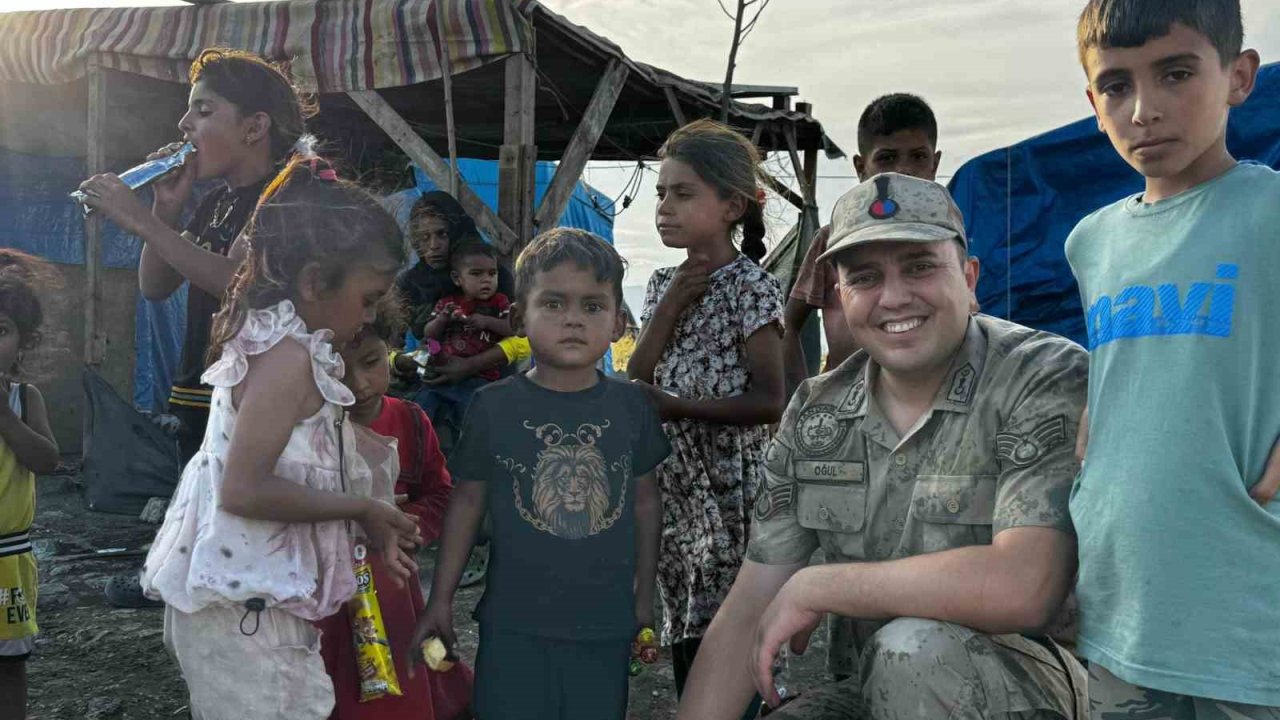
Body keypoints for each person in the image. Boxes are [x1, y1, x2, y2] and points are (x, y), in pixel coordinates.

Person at [677, 174, 1090, 720]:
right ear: (841, 295)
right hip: (878, 686)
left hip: (1034, 686)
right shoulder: (817, 412)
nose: (894, 297)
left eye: (920, 266)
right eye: (865, 277)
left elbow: (1026, 586)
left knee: (912, 654)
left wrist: (821, 585)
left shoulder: (1040, 376)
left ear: (969, 279)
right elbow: (750, 602)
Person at [138, 157, 422, 720]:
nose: (370, 316)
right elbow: (244, 489)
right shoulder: (286, 359)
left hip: (253, 609)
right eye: (368, 298)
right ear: (314, 280)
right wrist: (361, 506)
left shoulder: (291, 344)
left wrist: (366, 516)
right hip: (245, 617)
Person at [1068, 1, 1280, 715]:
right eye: (1118, 86)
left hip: (1252, 609)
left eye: (1177, 73)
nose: (1144, 109)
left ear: (1239, 77)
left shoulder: (1271, 210)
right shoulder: (1090, 241)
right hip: (1123, 602)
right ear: (1092, 101)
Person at [75, 47, 314, 608]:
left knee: (246, 525)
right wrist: (165, 210)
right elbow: (155, 287)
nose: (184, 125)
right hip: (203, 388)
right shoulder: (217, 203)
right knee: (207, 511)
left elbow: (238, 280)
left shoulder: (286, 195)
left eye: (203, 111)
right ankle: (194, 595)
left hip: (260, 396)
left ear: (255, 127)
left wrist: (131, 218)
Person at [411, 229, 668, 720]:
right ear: (518, 319)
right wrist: (438, 598)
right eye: (553, 303)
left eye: (592, 307)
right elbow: (467, 501)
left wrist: (644, 597)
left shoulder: (633, 406)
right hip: (513, 626)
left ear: (618, 322)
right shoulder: (493, 405)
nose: (573, 319)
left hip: (605, 626)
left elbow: (645, 503)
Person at [627, 119, 785, 714]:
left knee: (734, 636)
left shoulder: (752, 289)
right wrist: (670, 304)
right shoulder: (664, 284)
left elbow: (771, 400)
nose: (665, 207)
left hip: (732, 496)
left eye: (683, 193)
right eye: (661, 193)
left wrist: (679, 407)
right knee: (687, 631)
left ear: (731, 206)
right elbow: (636, 376)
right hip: (678, 494)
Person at [318, 305, 471, 720]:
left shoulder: (409, 420)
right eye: (336, 371)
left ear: (389, 349)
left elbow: (440, 492)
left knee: (409, 684)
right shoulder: (306, 431)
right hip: (326, 593)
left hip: (393, 585)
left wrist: (410, 524)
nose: (357, 385)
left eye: (371, 362)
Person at [783, 93, 942, 396]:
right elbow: (788, 324)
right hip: (842, 406)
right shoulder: (834, 241)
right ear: (861, 168)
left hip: (926, 400)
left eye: (918, 156)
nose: (904, 170)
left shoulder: (945, 239)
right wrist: (802, 397)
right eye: (887, 157)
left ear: (935, 164)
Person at [0, 251, 61, 720]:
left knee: (9, 666)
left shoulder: (24, 399)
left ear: (23, 341)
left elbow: (46, 460)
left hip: (8, 562)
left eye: (1, 331)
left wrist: (4, 416)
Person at [416, 240, 513, 433]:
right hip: (444, 376)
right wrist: (443, 319)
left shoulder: (500, 302)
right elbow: (429, 334)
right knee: (421, 409)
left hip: (481, 379)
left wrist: (487, 321)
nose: (486, 280)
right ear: (457, 278)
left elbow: (513, 329)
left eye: (492, 273)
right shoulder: (448, 303)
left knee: (471, 424)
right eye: (476, 274)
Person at [395, 191, 515, 344]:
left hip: (494, 366)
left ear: (459, 232)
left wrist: (472, 364)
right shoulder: (409, 283)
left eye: (443, 234)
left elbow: (520, 337)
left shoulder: (491, 276)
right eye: (424, 237)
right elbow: (392, 341)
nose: (434, 246)